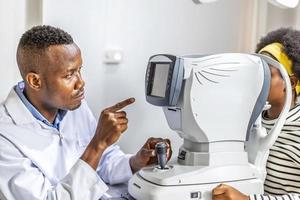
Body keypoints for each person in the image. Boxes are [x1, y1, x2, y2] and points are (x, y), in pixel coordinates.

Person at [0, 25, 171, 200]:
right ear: (35, 81)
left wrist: (135, 162)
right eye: (69, 75)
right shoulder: (5, 137)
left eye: (79, 70)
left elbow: (102, 163)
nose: (81, 83)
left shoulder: (73, 106)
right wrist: (98, 143)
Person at [212, 28, 300, 200]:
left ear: (290, 82)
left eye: (267, 73)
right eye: (256, 70)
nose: (257, 78)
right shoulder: (251, 120)